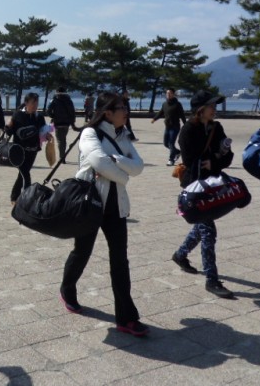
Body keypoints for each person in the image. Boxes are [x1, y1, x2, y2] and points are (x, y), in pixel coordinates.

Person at [59, 92, 148, 336]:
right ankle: (67, 288)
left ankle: (126, 318)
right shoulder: (90, 133)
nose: (126, 112)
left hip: (116, 206)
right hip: (90, 204)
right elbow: (98, 161)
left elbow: (138, 166)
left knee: (120, 260)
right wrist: (123, 176)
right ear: (108, 112)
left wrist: (115, 160)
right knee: (82, 251)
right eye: (122, 108)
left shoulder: (123, 135)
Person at [171, 90, 235, 298]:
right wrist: (212, 158)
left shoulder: (217, 127)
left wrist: (214, 160)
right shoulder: (188, 130)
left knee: (201, 226)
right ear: (200, 109)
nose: (214, 109)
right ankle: (211, 280)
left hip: (213, 183)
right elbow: (190, 161)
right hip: (195, 187)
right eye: (211, 106)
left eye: (215, 105)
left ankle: (180, 255)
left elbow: (228, 156)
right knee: (208, 231)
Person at [5, 92, 49, 204]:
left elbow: (43, 132)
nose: (35, 105)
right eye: (33, 103)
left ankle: (14, 197)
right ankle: (26, 200)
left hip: (33, 150)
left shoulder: (39, 117)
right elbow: (9, 131)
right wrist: (8, 126)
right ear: (26, 103)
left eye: (36, 103)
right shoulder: (17, 115)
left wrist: (48, 136)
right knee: (25, 175)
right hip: (19, 151)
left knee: (22, 174)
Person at [150, 89, 187, 166]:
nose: (168, 94)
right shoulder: (164, 104)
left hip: (175, 127)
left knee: (171, 143)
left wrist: (186, 125)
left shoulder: (177, 104)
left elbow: (182, 115)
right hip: (167, 127)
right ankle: (177, 152)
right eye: (167, 93)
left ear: (173, 94)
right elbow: (161, 113)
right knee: (166, 143)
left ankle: (171, 160)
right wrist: (154, 119)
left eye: (170, 93)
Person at [47, 87, 77, 163]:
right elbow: (72, 112)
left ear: (57, 91)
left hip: (58, 123)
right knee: (63, 139)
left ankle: (62, 157)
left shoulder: (54, 100)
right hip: (66, 123)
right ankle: (63, 156)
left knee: (60, 140)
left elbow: (48, 111)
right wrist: (72, 122)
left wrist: (53, 116)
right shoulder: (69, 100)